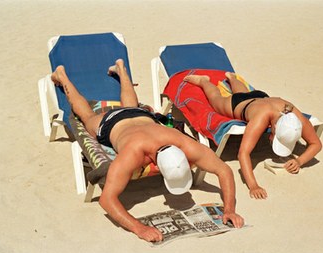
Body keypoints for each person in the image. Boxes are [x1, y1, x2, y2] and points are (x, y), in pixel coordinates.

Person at [51, 59, 244, 242]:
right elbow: (106, 199)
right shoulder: (136, 153)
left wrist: (229, 209)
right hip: (111, 123)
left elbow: (223, 171)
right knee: (86, 117)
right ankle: (63, 76)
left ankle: (119, 68)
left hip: (139, 115)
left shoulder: (182, 144)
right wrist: (139, 228)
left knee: (130, 107)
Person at [183, 73, 322, 200]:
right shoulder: (260, 119)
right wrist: (253, 185)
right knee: (215, 99)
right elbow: (243, 153)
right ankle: (204, 81)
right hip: (238, 104)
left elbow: (316, 144)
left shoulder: (293, 115)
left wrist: (299, 161)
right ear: (273, 127)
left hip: (260, 96)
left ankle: (232, 79)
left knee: (245, 93)